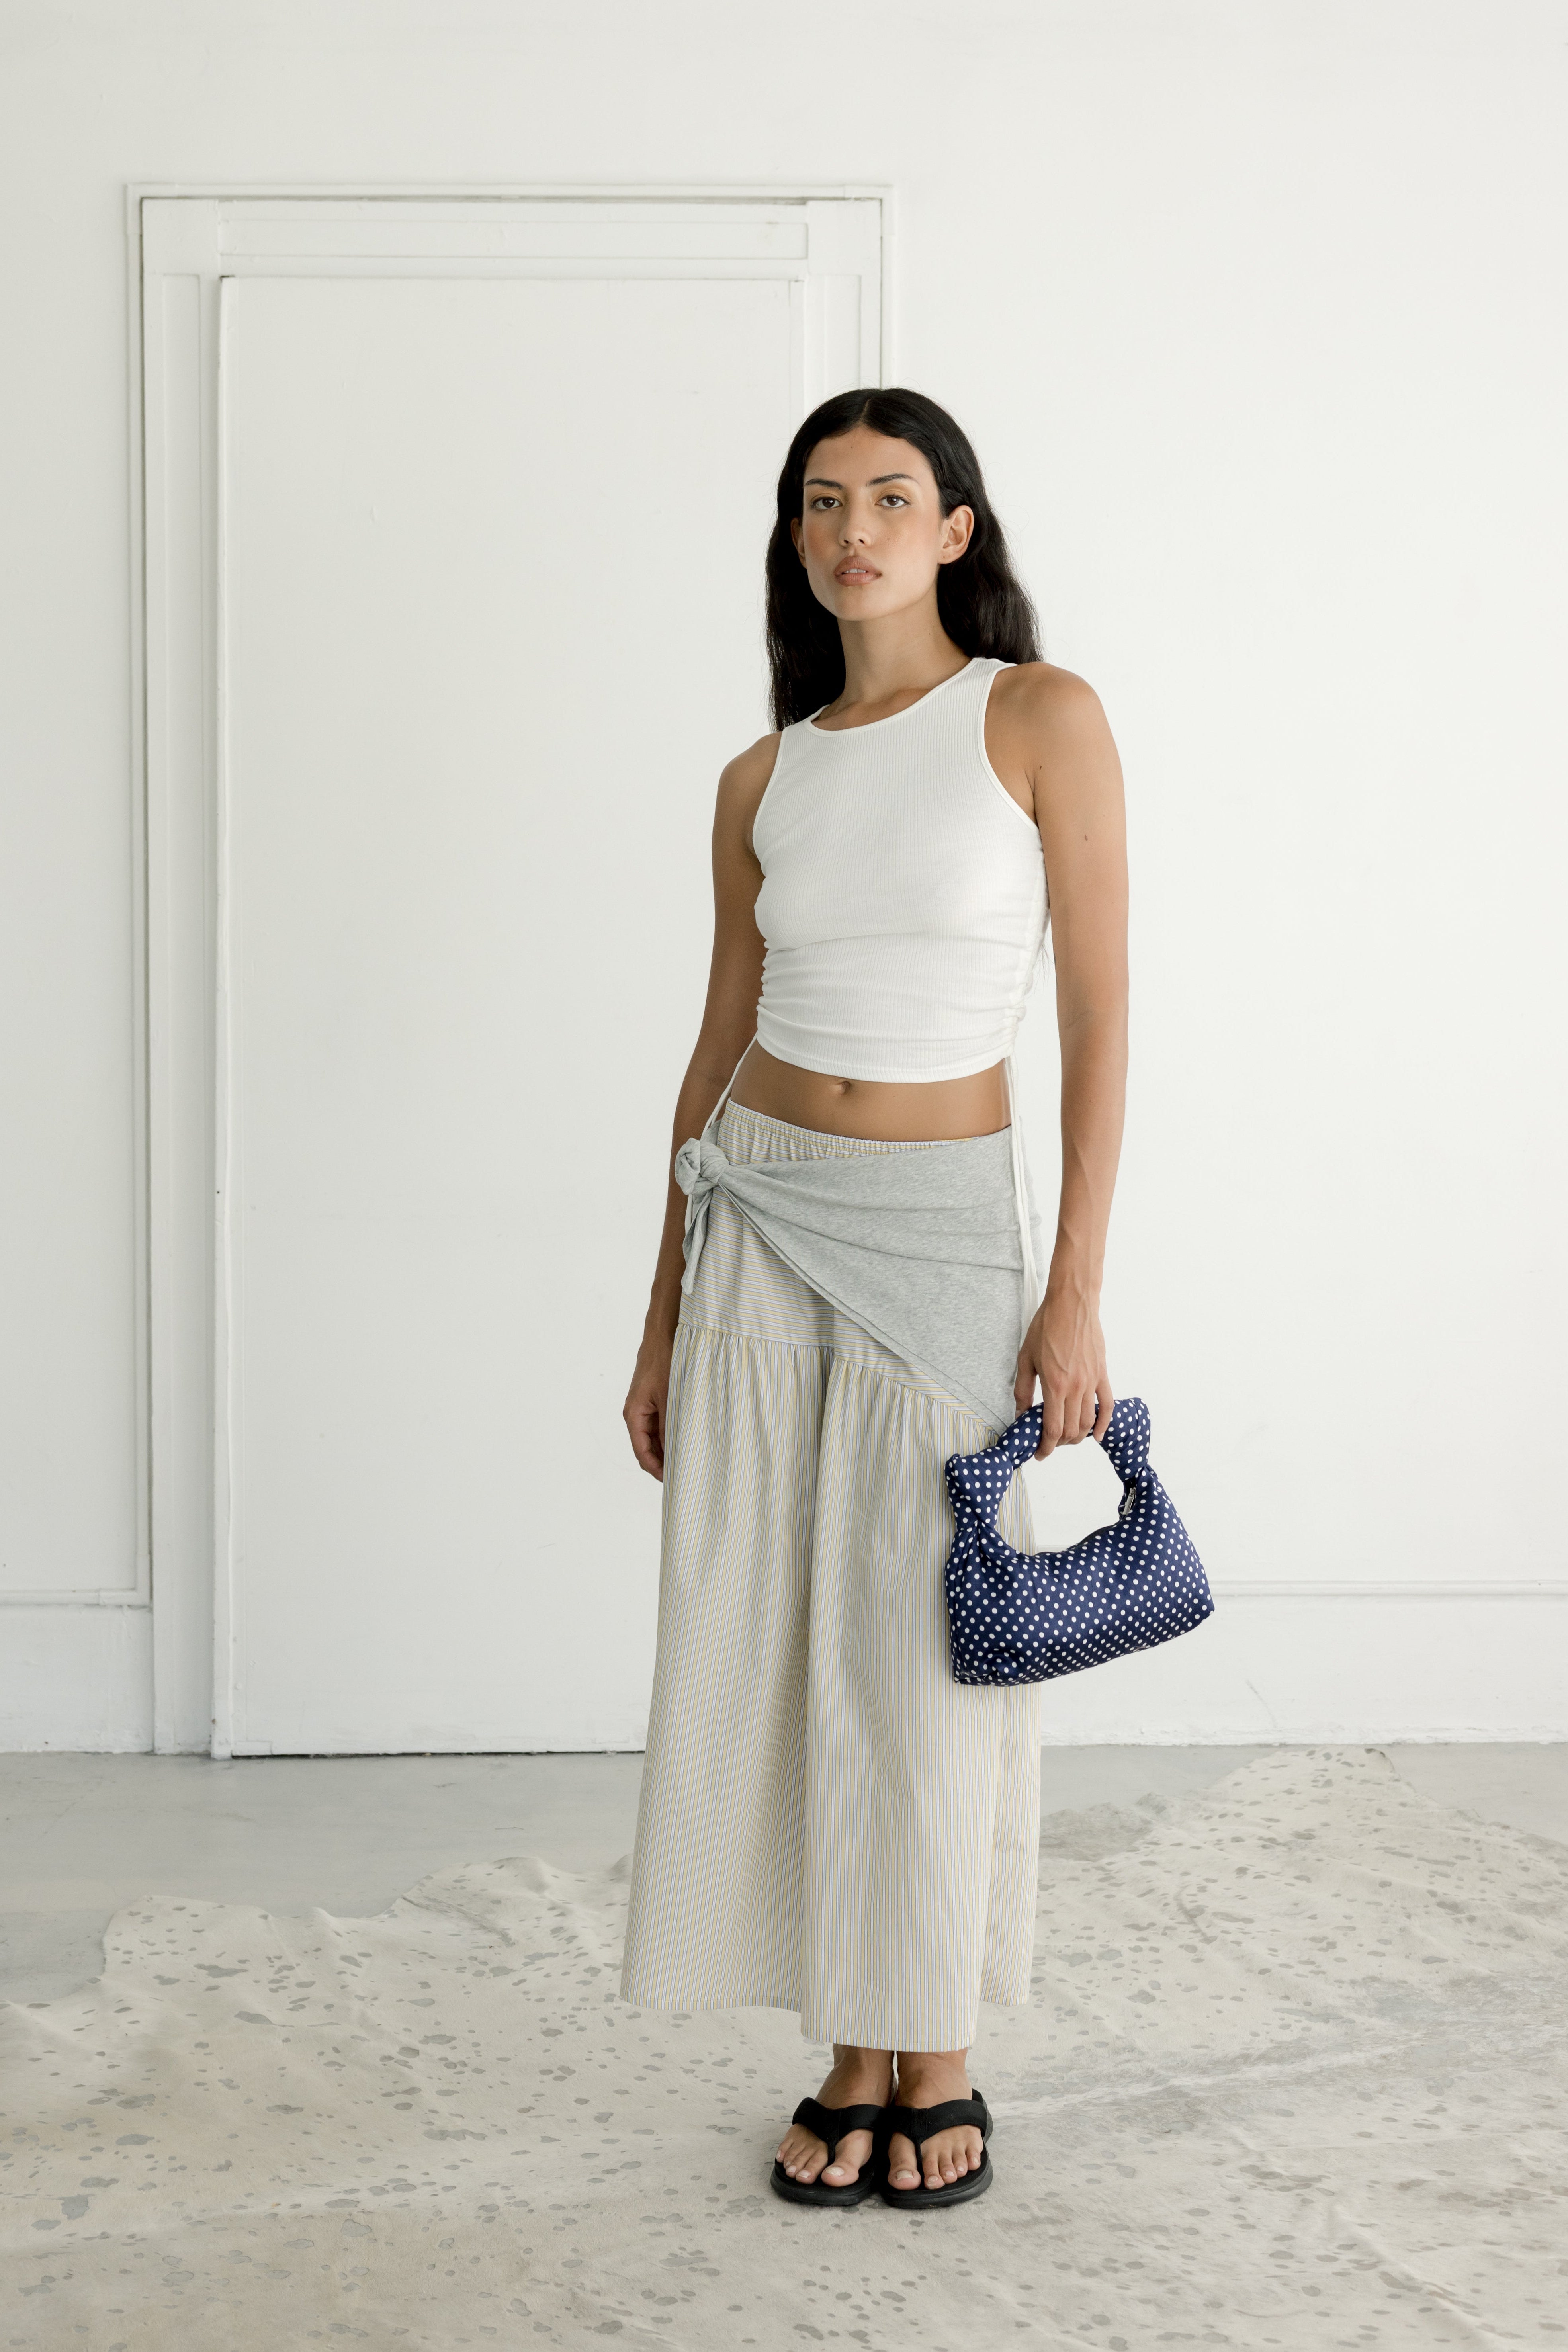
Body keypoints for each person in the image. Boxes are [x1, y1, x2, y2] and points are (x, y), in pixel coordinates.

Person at [618, 386, 1129, 2209]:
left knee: (924, 1645)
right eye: (822, 501)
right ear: (797, 535)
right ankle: (850, 2042)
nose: (854, 531)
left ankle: (939, 2048)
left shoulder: (1038, 717)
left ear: (954, 529)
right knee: (775, 1639)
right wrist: (659, 1312)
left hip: (941, 1226)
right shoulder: (763, 780)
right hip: (758, 1213)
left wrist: (1073, 1291)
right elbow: (715, 1046)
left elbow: (1098, 1019)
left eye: (891, 498)